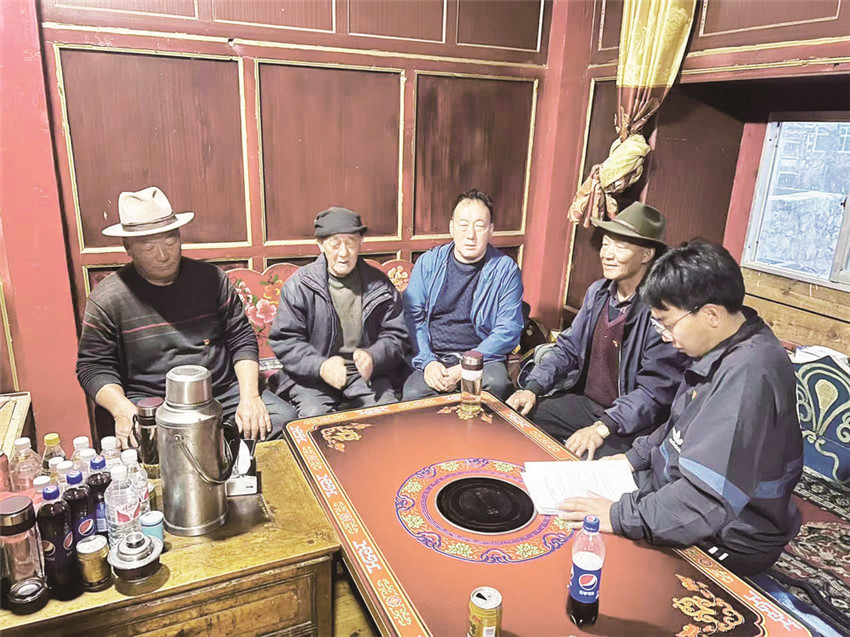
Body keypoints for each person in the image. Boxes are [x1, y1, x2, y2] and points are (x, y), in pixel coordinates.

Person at [558, 240, 803, 576]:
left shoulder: (748, 375)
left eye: (667, 324)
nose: (665, 336)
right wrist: (635, 457)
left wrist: (618, 515)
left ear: (711, 314)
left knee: (597, 558)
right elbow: (681, 420)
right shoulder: (726, 342)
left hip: (727, 533)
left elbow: (704, 500)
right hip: (672, 487)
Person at [76, 186, 296, 449]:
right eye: (148, 247)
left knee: (283, 419)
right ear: (128, 248)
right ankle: (219, 448)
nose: (163, 255)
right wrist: (122, 410)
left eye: (170, 242)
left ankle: (221, 451)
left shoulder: (211, 279)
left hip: (221, 393)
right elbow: (93, 366)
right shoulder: (107, 298)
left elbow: (241, 339)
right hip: (154, 403)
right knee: (144, 445)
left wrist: (250, 398)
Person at [507, 202, 687, 459]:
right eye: (605, 244)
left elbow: (652, 393)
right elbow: (568, 349)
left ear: (646, 255)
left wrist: (601, 428)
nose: (607, 254)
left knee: (584, 459)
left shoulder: (660, 311)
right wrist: (532, 388)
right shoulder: (598, 293)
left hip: (630, 424)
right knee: (518, 418)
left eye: (620, 247)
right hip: (588, 405)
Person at [268, 207, 409, 417]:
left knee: (386, 416)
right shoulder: (300, 285)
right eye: (335, 245)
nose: (343, 253)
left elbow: (398, 335)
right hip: (312, 378)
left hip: (364, 376)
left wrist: (375, 356)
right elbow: (285, 340)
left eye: (351, 243)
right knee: (315, 419)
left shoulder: (380, 285)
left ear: (361, 242)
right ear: (320, 244)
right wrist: (321, 366)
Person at [402, 189, 523, 401]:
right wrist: (428, 362)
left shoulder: (505, 270)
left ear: (491, 230)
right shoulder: (429, 263)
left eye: (479, 226)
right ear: (451, 227)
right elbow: (412, 318)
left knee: (496, 385)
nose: (470, 235)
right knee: (414, 393)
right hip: (435, 356)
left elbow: (509, 328)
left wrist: (465, 367)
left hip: (483, 357)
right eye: (463, 225)